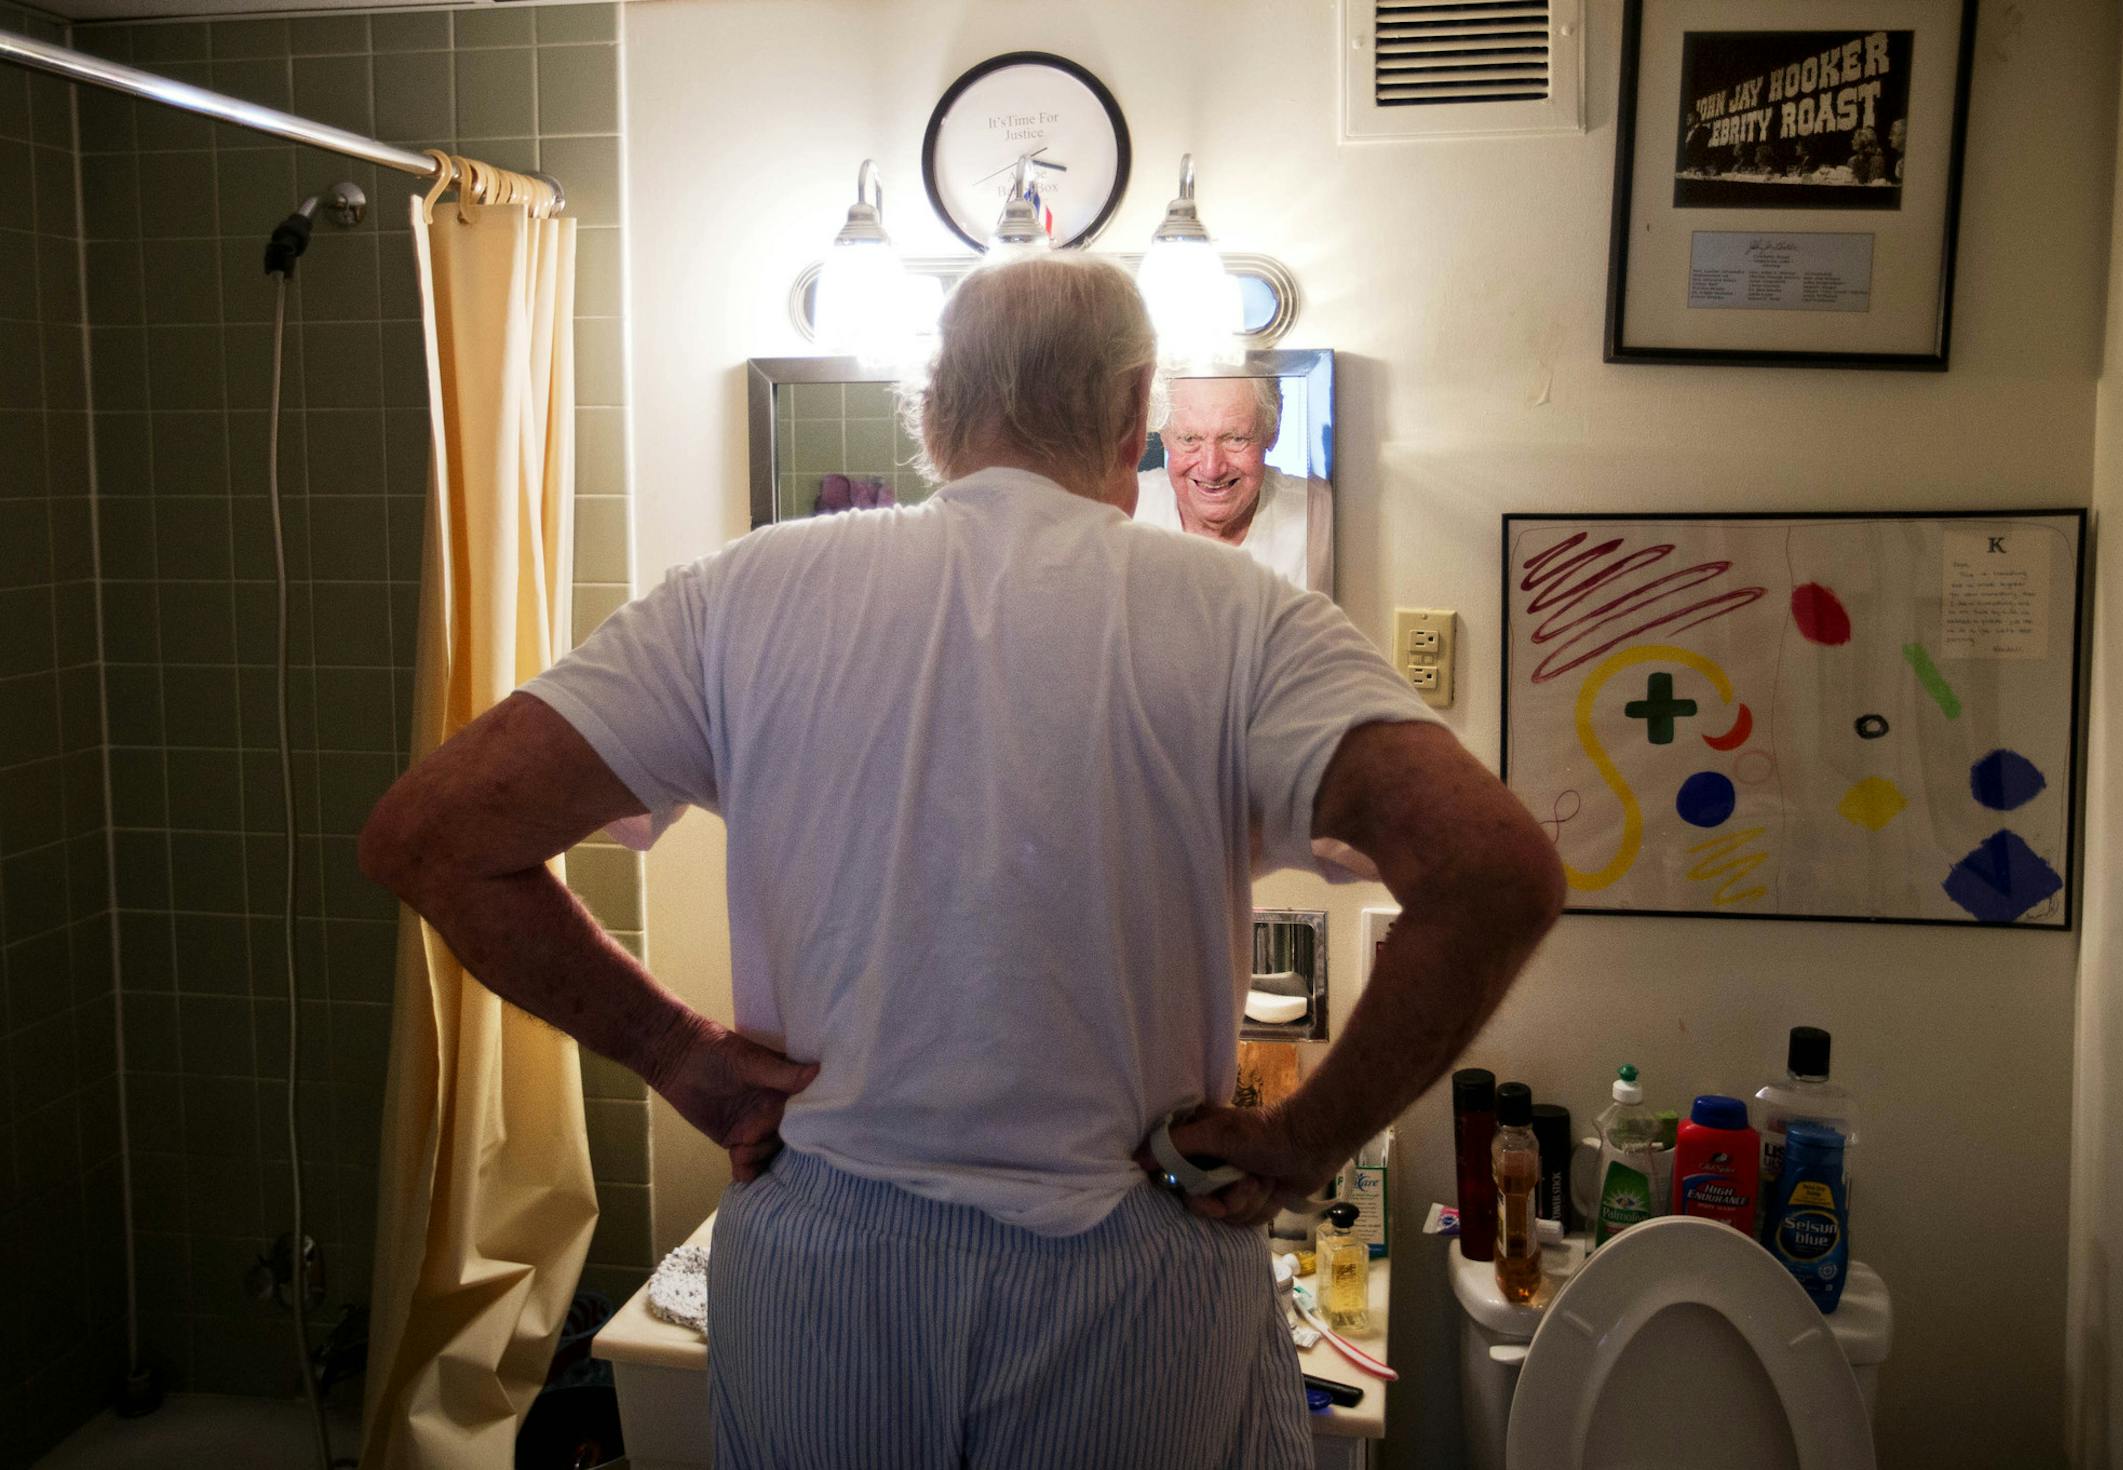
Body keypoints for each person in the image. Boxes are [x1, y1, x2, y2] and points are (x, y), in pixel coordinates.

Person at [358, 253, 1563, 1470]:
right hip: (1121, 1275)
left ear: (931, 406)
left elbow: (431, 838)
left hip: (825, 1267)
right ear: (1138, 408)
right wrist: (1305, 1141)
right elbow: (1495, 874)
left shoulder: (744, 593)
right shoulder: (1242, 616)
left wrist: (677, 1053)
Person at [1133, 375, 1334, 592]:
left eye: (1236, 438)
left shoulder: (1319, 512)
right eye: (1189, 439)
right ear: (1164, 437)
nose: (1211, 469)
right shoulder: (1124, 510)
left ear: (1272, 430)